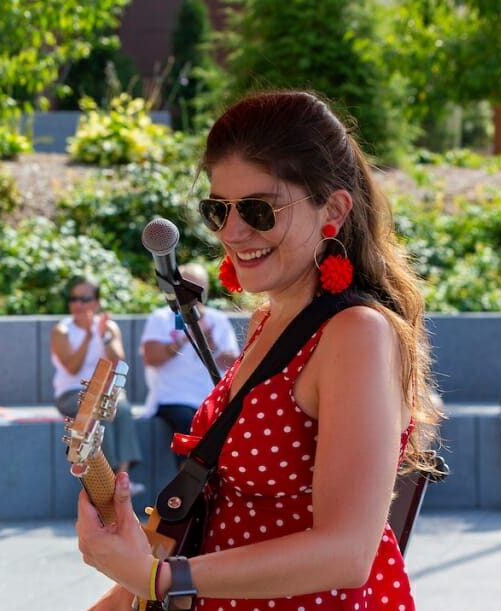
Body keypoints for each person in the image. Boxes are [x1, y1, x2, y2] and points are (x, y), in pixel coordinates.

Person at [75, 90, 442, 610]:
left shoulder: (356, 332)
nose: (232, 231)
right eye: (217, 209)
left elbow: (347, 551)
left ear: (333, 210)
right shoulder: (271, 320)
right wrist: (141, 574)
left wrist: (159, 577)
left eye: (258, 209)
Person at [52, 276, 145, 496]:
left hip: (105, 390)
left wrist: (103, 337)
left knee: (120, 408)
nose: (79, 305)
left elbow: (118, 362)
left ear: (96, 302)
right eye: (74, 299)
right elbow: (72, 368)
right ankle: (108, 477)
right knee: (96, 408)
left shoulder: (109, 327)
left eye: (84, 299)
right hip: (71, 393)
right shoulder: (61, 331)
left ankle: (122, 479)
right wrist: (87, 335)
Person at [139, 263, 240, 457]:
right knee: (191, 426)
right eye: (187, 286)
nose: (192, 293)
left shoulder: (218, 320)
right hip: (172, 398)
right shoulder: (160, 318)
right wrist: (184, 338)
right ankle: (191, 483)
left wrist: (211, 344)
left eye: (198, 287)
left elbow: (233, 365)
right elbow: (151, 358)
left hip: (210, 399)